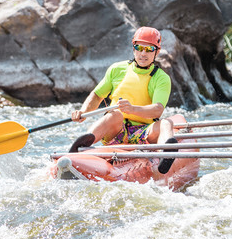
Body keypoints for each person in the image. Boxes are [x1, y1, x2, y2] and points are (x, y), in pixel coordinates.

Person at [69, 26, 181, 174]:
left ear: (157, 52)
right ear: (133, 48)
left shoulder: (161, 78)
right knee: (114, 114)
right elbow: (97, 96)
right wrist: (83, 112)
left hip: (143, 133)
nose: (143, 53)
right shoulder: (117, 69)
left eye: (149, 49)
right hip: (115, 132)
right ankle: (78, 148)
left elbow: (157, 109)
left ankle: (165, 156)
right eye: (139, 47)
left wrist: (132, 109)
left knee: (167, 123)